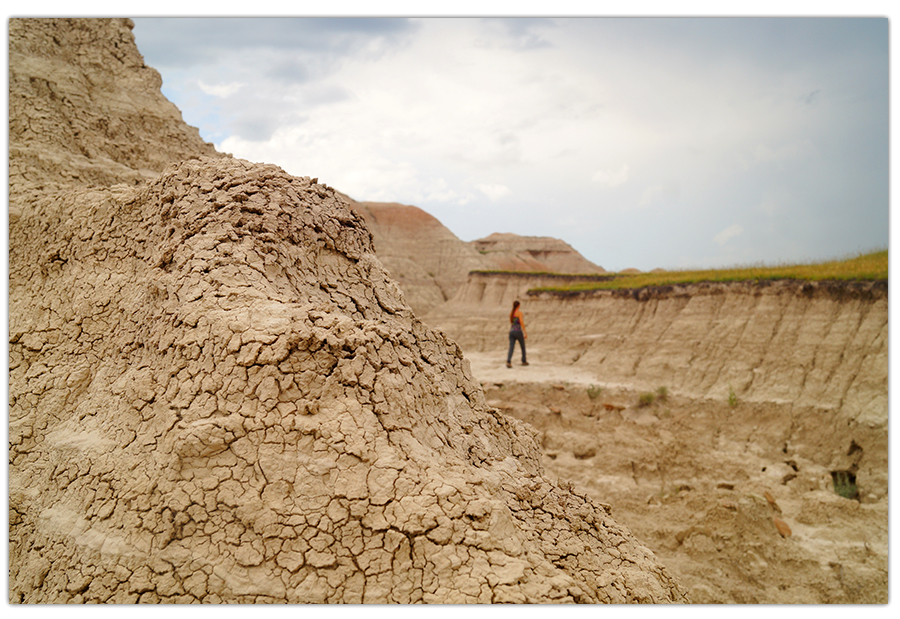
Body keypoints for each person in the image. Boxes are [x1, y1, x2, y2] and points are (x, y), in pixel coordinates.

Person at [507, 300, 528, 368]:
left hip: (512, 331)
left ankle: (508, 361)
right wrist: (525, 332)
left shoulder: (511, 313)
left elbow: (511, 322)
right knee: (522, 346)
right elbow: (521, 322)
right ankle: (523, 360)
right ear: (518, 305)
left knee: (511, 347)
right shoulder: (519, 313)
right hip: (518, 331)